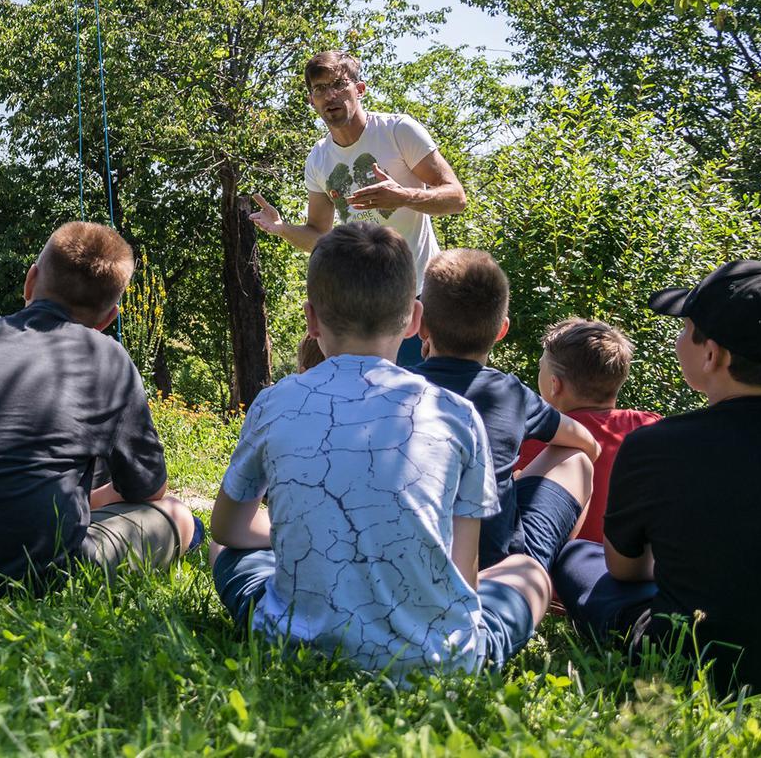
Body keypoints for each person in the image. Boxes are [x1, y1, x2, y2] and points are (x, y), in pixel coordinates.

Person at [210, 224, 591, 676]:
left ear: (312, 319)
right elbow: (463, 579)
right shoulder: (457, 414)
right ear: (413, 319)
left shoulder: (274, 402)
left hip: (291, 641)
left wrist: (309, 534)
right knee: (529, 572)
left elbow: (228, 528)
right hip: (439, 658)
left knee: (220, 548)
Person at [0, 221, 197, 596]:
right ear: (108, 320)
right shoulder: (108, 357)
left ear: (30, 281)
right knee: (178, 515)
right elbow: (148, 488)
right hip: (25, 572)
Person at [553, 261, 761, 715]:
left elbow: (626, 571)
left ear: (713, 355)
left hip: (697, 662)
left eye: (686, 329)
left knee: (578, 555)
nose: (678, 341)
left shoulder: (655, 446)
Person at [249, 50, 467, 365]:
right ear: (312, 101)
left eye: (339, 84)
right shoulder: (319, 159)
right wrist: (282, 228)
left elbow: (456, 197)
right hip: (366, 308)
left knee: (425, 401)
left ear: (360, 89)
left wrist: (404, 196)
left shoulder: (397, 131)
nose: (330, 96)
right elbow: (318, 235)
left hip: (420, 297)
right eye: (320, 89)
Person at [412, 250, 600, 570]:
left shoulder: (397, 388)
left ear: (421, 325)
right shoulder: (509, 394)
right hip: (495, 570)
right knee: (577, 461)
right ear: (502, 330)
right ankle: (538, 578)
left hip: (410, 561)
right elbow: (588, 444)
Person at [517, 319, 655, 546]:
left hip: (558, 574)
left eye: (541, 365)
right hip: (630, 573)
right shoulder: (648, 428)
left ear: (555, 385)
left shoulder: (534, 439)